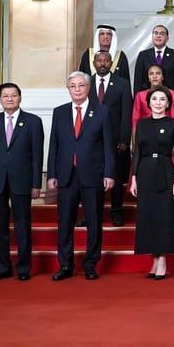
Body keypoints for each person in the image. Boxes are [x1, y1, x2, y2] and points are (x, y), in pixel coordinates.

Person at [47, 71, 116, 281]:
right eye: (73, 86)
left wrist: (109, 173)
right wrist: (51, 174)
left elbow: (108, 145)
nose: (77, 89)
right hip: (66, 175)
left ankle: (90, 264)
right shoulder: (59, 112)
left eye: (81, 85)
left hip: (93, 174)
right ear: (68, 89)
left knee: (94, 221)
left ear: (88, 88)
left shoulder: (102, 112)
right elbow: (54, 145)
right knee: (65, 222)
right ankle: (65, 265)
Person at [0, 83, 44, 282]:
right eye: (5, 96)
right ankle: (2, 268)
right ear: (0, 99)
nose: (9, 99)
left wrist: (36, 184)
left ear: (20, 98)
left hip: (22, 180)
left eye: (13, 95)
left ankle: (24, 268)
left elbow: (37, 155)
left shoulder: (33, 121)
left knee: (22, 225)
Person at [129, 86, 174, 281]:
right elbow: (137, 152)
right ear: (148, 103)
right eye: (154, 99)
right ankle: (154, 259)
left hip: (166, 171)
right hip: (144, 172)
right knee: (148, 217)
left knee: (164, 216)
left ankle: (162, 260)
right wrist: (134, 177)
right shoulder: (141, 124)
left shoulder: (173, 124)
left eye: (162, 99)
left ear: (168, 103)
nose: (158, 103)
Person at [89, 50, 132, 226]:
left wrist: (124, 139)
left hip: (114, 140)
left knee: (116, 177)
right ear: (94, 63)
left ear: (111, 63)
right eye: (99, 60)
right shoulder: (86, 83)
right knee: (92, 179)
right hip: (91, 140)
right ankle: (93, 214)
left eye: (106, 61)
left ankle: (116, 211)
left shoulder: (122, 84)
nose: (102, 64)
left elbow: (126, 113)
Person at [133, 25, 174, 103]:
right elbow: (138, 80)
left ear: (167, 38)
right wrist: (137, 101)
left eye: (162, 33)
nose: (158, 36)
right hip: (147, 100)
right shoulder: (143, 55)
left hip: (170, 100)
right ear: (152, 37)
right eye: (156, 33)